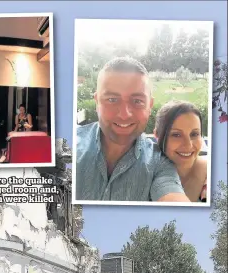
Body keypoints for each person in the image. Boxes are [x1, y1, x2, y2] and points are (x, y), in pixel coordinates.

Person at [75, 57, 190, 202]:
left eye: (137, 101)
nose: (124, 114)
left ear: (150, 105)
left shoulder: (160, 164)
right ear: (97, 101)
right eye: (112, 99)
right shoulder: (67, 147)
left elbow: (175, 204)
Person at [154, 100, 208, 202]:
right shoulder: (145, 175)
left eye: (194, 134)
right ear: (156, 135)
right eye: (176, 135)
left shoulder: (215, 172)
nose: (188, 145)